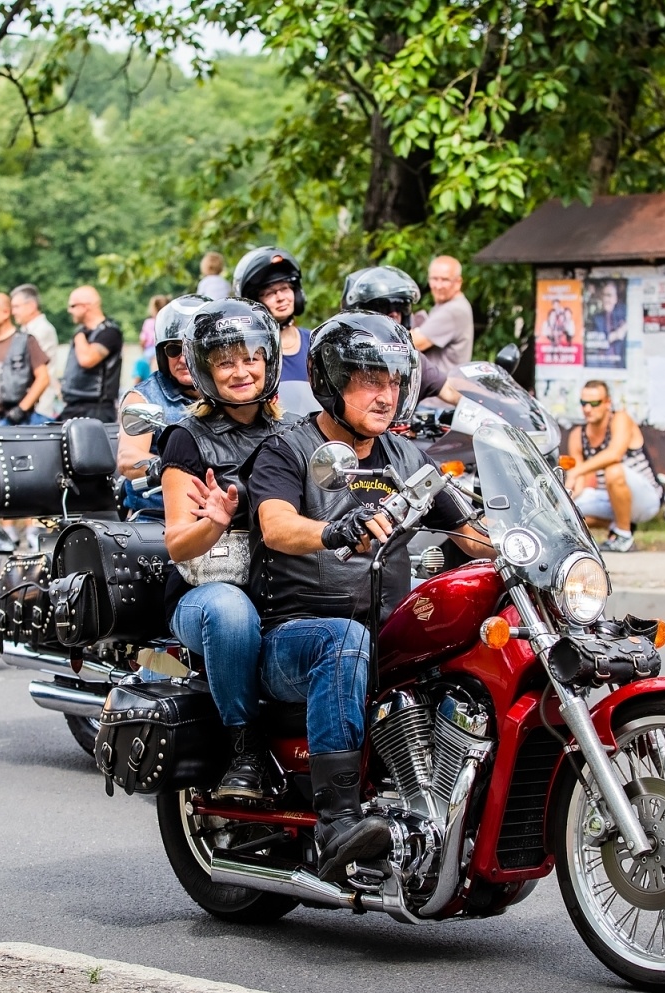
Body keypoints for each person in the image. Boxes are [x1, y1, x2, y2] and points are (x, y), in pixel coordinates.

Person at [248, 312, 493, 880]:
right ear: (331, 382)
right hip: (294, 638)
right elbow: (276, 525)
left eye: (395, 382)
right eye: (369, 381)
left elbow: (468, 531)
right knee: (345, 641)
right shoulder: (289, 448)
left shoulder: (406, 458)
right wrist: (332, 531)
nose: (387, 395)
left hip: (382, 635)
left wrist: (527, 547)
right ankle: (337, 823)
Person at [159, 299, 298, 801]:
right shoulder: (187, 439)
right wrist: (214, 523)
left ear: (269, 361)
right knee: (230, 610)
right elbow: (177, 545)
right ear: (205, 370)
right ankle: (245, 749)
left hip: (280, 585)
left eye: (251, 358)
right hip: (205, 590)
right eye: (225, 362)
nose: (241, 372)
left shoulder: (294, 432)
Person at [118, 294, 206, 518]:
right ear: (162, 353)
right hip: (158, 516)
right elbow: (128, 457)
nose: (183, 358)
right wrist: (163, 466)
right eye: (174, 349)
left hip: (219, 513)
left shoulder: (226, 394)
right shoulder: (144, 398)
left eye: (191, 348)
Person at [559, 380, 663, 553]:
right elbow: (580, 482)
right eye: (584, 403)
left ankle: (624, 537)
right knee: (565, 513)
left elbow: (614, 454)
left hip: (645, 499)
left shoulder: (620, 419)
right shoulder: (578, 435)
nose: (587, 409)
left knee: (613, 470)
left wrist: (576, 471)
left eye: (594, 403)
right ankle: (620, 524)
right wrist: (565, 500)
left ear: (608, 403)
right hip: (610, 499)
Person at [0, 292, 51, 425]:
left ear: (5, 313)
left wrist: (21, 409)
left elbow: (43, 378)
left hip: (17, 420)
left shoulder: (25, 341)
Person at [234, 248, 311, 382]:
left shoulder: (314, 342)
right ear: (255, 302)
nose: (280, 298)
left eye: (284, 288)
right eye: (269, 293)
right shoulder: (248, 353)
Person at [409, 256, 473, 398]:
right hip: (438, 395)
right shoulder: (444, 305)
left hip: (440, 399)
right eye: (434, 279)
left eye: (444, 280)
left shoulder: (453, 310)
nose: (438, 286)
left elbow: (413, 344)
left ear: (458, 282)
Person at [59, 286, 124, 422]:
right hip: (73, 407)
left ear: (85, 306)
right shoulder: (84, 333)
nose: (69, 310)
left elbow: (87, 360)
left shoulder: (109, 332)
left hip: (96, 409)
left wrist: (79, 335)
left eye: (72, 306)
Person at [11, 284, 63, 416]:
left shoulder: (42, 330)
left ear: (31, 306)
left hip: (40, 404)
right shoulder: (25, 330)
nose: (13, 312)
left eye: (16, 307)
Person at [136, 294, 171, 385]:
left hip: (150, 352)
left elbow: (143, 341)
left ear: (154, 308)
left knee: (139, 365)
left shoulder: (148, 322)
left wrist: (143, 350)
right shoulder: (170, 322)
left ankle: (136, 387)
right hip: (166, 351)